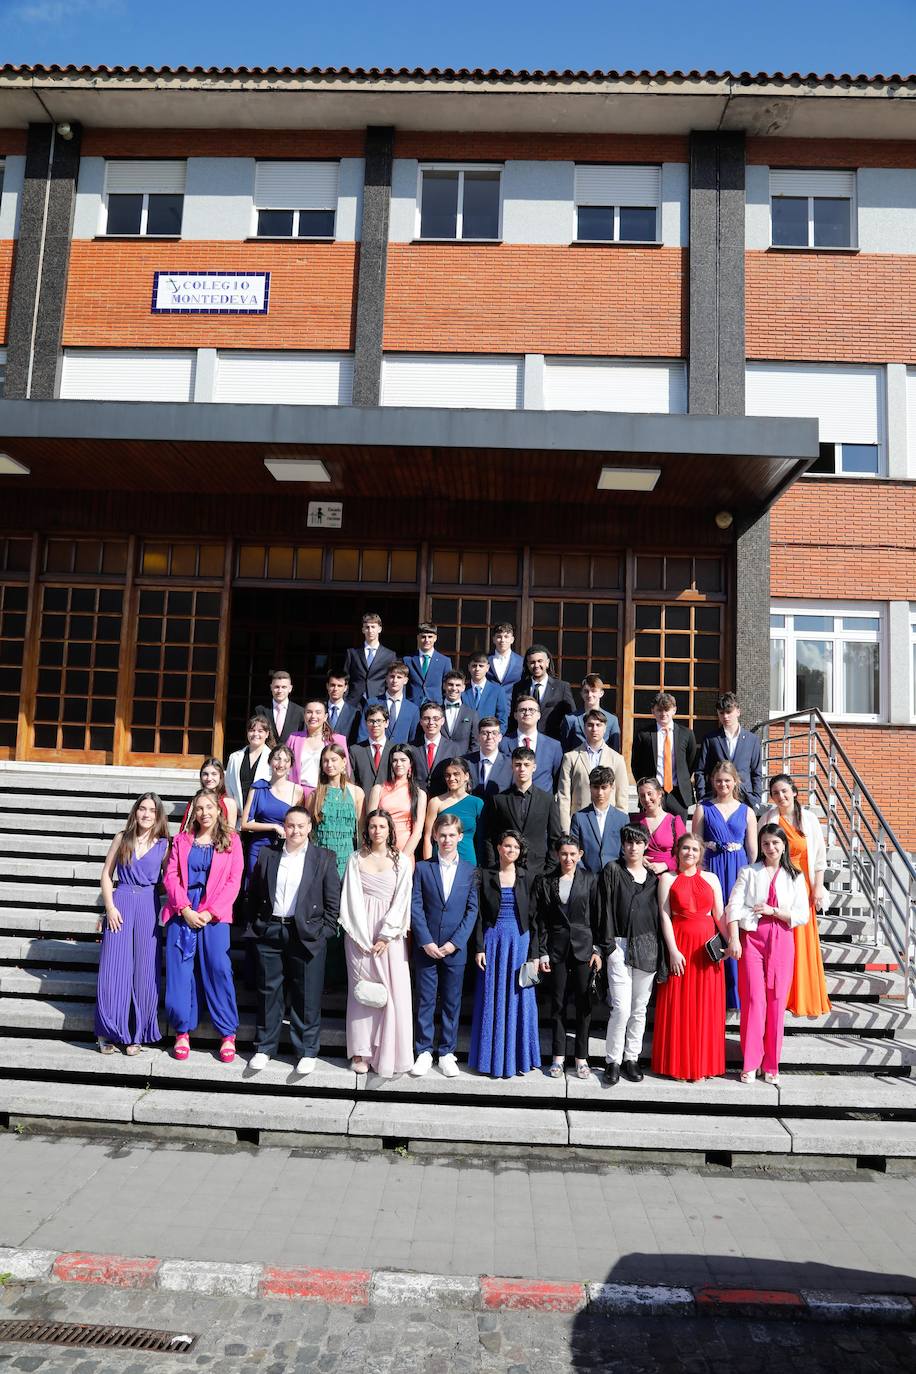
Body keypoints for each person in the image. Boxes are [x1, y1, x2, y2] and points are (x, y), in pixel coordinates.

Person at [247, 805, 341, 1075]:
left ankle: (307, 1050)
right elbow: (253, 894)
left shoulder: (323, 857)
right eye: (291, 825)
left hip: (307, 934)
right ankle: (265, 1047)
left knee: (307, 994)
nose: (295, 830)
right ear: (284, 827)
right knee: (269, 992)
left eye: (301, 825)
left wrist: (324, 931)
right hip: (271, 930)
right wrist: (258, 925)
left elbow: (332, 903)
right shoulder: (268, 854)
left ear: (310, 827)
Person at [162, 790, 244, 1063]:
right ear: (193, 813)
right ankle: (182, 1030)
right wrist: (184, 909)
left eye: (209, 807)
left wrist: (210, 913)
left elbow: (234, 881)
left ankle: (227, 1034)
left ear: (219, 810)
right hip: (182, 910)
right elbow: (171, 875)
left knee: (218, 968)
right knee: (179, 971)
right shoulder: (181, 841)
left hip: (215, 914)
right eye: (199, 808)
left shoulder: (232, 840)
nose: (204, 813)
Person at [727, 824, 809, 1085]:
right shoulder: (749, 872)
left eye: (775, 843)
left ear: (783, 845)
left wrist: (774, 911)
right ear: (759, 846)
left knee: (775, 1003)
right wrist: (734, 939)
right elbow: (733, 906)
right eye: (765, 843)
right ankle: (751, 1062)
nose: (770, 848)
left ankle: (771, 1063)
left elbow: (801, 915)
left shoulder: (795, 876)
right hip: (752, 939)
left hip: (782, 940)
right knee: (753, 1001)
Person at [651, 832, 735, 1082]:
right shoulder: (667, 879)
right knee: (679, 1004)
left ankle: (702, 1064)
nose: (689, 853)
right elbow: (665, 915)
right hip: (681, 945)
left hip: (706, 950)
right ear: (677, 852)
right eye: (685, 849)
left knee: (705, 1006)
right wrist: (673, 950)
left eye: (695, 850)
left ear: (701, 854)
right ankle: (679, 1065)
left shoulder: (711, 878)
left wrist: (731, 942)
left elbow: (719, 914)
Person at [338, 810, 414, 1077]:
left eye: (382, 826)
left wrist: (386, 934)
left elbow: (403, 899)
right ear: (366, 830)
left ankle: (389, 1051)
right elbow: (350, 897)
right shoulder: (355, 859)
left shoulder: (401, 861)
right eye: (372, 826)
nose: (377, 831)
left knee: (392, 992)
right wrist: (361, 935)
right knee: (362, 993)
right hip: (360, 932)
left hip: (389, 935)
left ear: (390, 829)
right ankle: (361, 1050)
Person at [96, 792, 170, 1055]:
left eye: (152, 810)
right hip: (122, 903)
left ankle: (136, 1033)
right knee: (114, 967)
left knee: (144, 971)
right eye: (142, 809)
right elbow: (106, 873)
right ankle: (108, 1031)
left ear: (158, 815)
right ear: (135, 812)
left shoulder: (164, 845)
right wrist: (109, 907)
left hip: (149, 906)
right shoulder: (122, 838)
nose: (146, 814)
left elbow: (167, 880)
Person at [410, 813, 479, 1078]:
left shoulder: (470, 871)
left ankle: (447, 1052)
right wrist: (425, 940)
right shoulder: (423, 868)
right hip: (426, 947)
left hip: (454, 949)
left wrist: (455, 943)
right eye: (443, 835)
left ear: (460, 837)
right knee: (426, 1000)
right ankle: (424, 1051)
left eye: (452, 835)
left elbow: (471, 911)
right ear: (435, 836)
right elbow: (416, 905)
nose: (447, 840)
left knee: (451, 1001)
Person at [468, 829, 541, 1078]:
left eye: (515, 847)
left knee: (522, 997)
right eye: (507, 846)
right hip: (493, 941)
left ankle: (519, 1057)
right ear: (499, 848)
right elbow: (477, 916)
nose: (511, 851)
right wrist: (478, 947)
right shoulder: (484, 875)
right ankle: (492, 1059)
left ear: (520, 852)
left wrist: (533, 955)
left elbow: (534, 918)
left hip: (520, 942)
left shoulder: (528, 877)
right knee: (492, 997)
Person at [759, 774, 831, 1018]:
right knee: (781, 939)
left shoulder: (809, 819)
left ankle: (801, 994)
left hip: (804, 884)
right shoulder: (769, 818)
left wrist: (819, 886)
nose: (781, 796)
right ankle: (782, 992)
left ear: (794, 791)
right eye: (775, 793)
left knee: (801, 940)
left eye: (784, 791)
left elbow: (819, 857)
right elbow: (760, 852)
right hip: (779, 884)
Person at [536, 835, 606, 1081]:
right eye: (563, 854)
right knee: (557, 1004)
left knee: (584, 1006)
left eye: (572, 854)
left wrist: (598, 950)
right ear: (557, 855)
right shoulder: (546, 881)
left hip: (585, 950)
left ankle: (581, 1058)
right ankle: (558, 1056)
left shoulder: (590, 879)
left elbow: (599, 917)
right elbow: (541, 921)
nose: (568, 858)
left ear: (580, 854)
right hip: (556, 950)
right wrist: (542, 951)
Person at [692, 759, 758, 1012]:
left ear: (735, 782)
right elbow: (694, 844)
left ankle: (736, 993)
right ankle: (714, 989)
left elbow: (752, 849)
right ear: (712, 782)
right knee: (714, 923)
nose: (723, 785)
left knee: (736, 925)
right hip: (712, 868)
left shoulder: (747, 811)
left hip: (738, 869)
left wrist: (754, 880)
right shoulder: (703, 808)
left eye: (727, 781)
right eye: (718, 781)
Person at [600, 826, 662, 1085]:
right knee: (621, 1008)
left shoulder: (654, 877)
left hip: (647, 945)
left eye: (638, 843)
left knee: (639, 1009)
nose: (633, 847)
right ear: (622, 845)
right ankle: (612, 1060)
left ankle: (631, 1058)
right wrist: (609, 946)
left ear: (646, 845)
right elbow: (604, 908)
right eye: (628, 842)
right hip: (619, 944)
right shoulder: (613, 870)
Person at [483, 746, 562, 876]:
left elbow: (555, 837)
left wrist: (550, 869)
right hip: (506, 868)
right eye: (518, 765)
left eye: (527, 764)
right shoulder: (499, 800)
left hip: (538, 870)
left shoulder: (547, 800)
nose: (522, 769)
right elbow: (490, 838)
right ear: (512, 767)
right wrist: (493, 867)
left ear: (534, 767)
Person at [240, 744, 304, 887]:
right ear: (269, 761)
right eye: (277, 759)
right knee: (255, 888)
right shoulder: (257, 788)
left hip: (285, 848)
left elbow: (300, 823)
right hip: (259, 848)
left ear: (291, 765)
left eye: (286, 760)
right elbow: (245, 824)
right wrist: (274, 826)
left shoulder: (297, 791)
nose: (281, 764)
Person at [630, 691, 699, 821]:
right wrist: (646, 786)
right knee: (650, 831)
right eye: (659, 710)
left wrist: (682, 778)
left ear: (674, 710)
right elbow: (636, 764)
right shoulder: (644, 735)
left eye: (667, 710)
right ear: (653, 711)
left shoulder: (687, 734)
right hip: (652, 794)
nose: (663, 714)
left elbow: (691, 761)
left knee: (678, 835)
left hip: (677, 793)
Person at [557, 710, 629, 829]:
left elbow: (622, 796)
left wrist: (620, 826)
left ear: (605, 728)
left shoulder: (617, 759)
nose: (594, 729)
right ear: (584, 728)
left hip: (608, 823)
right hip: (579, 821)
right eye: (590, 725)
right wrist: (565, 829)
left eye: (598, 725)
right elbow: (564, 796)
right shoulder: (570, 757)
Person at [695, 692, 763, 813]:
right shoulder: (711, 739)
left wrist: (756, 800)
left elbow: (756, 772)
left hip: (745, 799)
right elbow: (700, 770)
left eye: (729, 712)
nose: (725, 717)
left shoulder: (752, 740)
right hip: (716, 799)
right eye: (721, 713)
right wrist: (702, 797)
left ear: (738, 711)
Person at [308, 745, 364, 879]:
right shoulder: (315, 795)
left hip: (347, 858)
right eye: (325, 761)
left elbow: (361, 830)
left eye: (334, 760)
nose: (329, 764)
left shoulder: (356, 792)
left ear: (344, 761)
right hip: (320, 857)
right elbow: (309, 830)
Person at [421, 757, 484, 864]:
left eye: (456, 774)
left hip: (468, 860)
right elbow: (428, 838)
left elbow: (482, 839)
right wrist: (428, 866)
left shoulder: (477, 803)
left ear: (466, 776)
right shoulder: (436, 802)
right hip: (440, 862)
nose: (451, 778)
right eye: (448, 775)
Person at [368, 745, 427, 856]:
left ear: (411, 763)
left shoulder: (419, 794)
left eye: (403, 760)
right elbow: (370, 825)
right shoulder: (378, 789)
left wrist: (403, 859)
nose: (399, 764)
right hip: (379, 851)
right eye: (395, 760)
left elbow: (417, 832)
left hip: (406, 850)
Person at [569, 766, 630, 873]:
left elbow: (625, 852)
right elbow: (574, 850)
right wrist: (584, 874)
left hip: (615, 877)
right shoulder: (579, 817)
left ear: (612, 787)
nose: (600, 793)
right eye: (596, 787)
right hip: (587, 878)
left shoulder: (622, 819)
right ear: (590, 787)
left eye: (604, 787)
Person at [510, 645, 576, 740]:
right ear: (527, 665)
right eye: (532, 662)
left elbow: (571, 717)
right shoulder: (519, 688)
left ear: (547, 663)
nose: (536, 665)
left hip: (553, 741)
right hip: (525, 741)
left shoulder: (562, 687)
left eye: (540, 661)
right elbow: (513, 717)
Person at [499, 695, 563, 792]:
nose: (527, 713)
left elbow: (559, 780)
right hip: (510, 801)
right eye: (522, 710)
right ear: (515, 715)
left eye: (532, 710)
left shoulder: (554, 746)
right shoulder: (502, 743)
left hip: (542, 803)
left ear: (539, 715)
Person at [287, 700, 350, 792]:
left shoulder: (337, 740)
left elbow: (346, 769)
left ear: (325, 717)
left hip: (326, 791)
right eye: (309, 712)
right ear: (304, 716)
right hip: (296, 792)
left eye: (318, 712)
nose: (313, 716)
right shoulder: (294, 738)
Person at [631, 777, 686, 875]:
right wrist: (639, 858)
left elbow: (684, 850)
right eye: (642, 796)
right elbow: (627, 847)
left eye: (649, 794)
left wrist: (666, 865)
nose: (646, 799)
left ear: (660, 794)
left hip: (668, 875)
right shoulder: (635, 821)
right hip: (641, 875)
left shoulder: (674, 821)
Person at [359, 660, 420, 744]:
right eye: (392, 676)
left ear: (405, 680)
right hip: (375, 752)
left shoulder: (413, 709)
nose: (395, 680)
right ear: (386, 678)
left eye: (399, 677)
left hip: (400, 754)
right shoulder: (371, 703)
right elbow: (363, 733)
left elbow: (413, 739)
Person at [225, 714, 272, 821]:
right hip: (237, 818)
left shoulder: (273, 758)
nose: (255, 734)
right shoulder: (234, 757)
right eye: (252, 730)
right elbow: (228, 785)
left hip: (261, 819)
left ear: (267, 734)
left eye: (260, 731)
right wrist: (234, 811)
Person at [343, 612, 396, 706]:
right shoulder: (352, 653)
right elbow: (345, 678)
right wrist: (345, 698)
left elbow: (392, 679)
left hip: (378, 700)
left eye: (373, 627)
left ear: (380, 629)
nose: (370, 630)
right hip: (353, 701)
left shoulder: (389, 655)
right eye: (367, 627)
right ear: (363, 630)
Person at [559, 674, 622, 754]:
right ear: (581, 694)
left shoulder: (612, 720)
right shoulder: (570, 719)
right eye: (586, 691)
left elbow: (615, 751)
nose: (589, 695)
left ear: (601, 693)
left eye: (593, 691)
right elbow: (565, 749)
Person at [412, 701, 462, 792]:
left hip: (444, 800)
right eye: (427, 718)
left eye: (436, 718)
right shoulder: (412, 747)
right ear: (421, 721)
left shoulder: (454, 748)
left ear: (442, 721)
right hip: (417, 799)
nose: (431, 722)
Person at [178, 758, 238, 831]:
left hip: (221, 841)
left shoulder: (229, 803)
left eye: (214, 774)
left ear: (221, 776)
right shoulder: (196, 800)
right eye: (205, 774)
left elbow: (231, 833)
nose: (209, 778)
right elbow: (187, 828)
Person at [350, 704, 395, 793]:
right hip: (363, 803)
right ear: (366, 723)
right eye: (371, 721)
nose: (375, 725)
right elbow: (352, 781)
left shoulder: (395, 750)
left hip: (388, 803)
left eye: (379, 721)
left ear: (386, 723)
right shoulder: (355, 750)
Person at [405, 622, 452, 705]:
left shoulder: (444, 661)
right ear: (418, 638)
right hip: (412, 705)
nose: (427, 640)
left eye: (430, 637)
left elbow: (448, 686)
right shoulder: (408, 660)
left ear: (435, 638)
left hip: (435, 706)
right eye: (423, 637)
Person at [465, 717, 513, 798]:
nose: (489, 737)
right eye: (485, 733)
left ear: (500, 737)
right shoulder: (465, 762)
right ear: (478, 737)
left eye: (494, 733)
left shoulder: (510, 765)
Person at [256, 668, 304, 745]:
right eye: (276, 687)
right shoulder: (260, 710)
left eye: (284, 687)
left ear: (290, 688)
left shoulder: (300, 712)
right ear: (271, 687)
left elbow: (302, 741)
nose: (280, 691)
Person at [463, 652, 508, 731]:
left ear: (487, 668)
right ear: (469, 667)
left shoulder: (497, 691)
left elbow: (502, 718)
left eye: (481, 666)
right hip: (466, 738)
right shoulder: (462, 690)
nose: (477, 669)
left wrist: (496, 736)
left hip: (489, 737)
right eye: (474, 666)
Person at [487, 621, 524, 716]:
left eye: (506, 637)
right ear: (493, 639)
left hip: (512, 710)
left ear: (512, 639)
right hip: (489, 709)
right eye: (499, 637)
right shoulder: (485, 660)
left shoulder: (522, 662)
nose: (502, 640)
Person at [439, 670, 480, 752]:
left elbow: (476, 744)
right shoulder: (435, 711)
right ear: (444, 686)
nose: (454, 688)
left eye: (458, 685)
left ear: (463, 688)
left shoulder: (472, 714)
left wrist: (466, 763)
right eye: (450, 684)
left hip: (463, 761)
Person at [325, 670, 360, 745]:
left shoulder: (355, 713)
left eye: (339, 686)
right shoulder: (319, 710)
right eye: (332, 685)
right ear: (327, 686)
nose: (335, 689)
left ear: (345, 688)